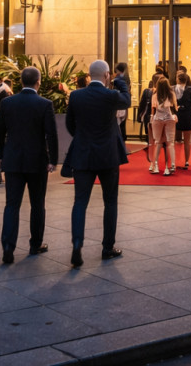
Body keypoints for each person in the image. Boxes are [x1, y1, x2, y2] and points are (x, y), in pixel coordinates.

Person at [66, 60, 131, 268]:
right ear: (107, 76)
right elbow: (127, 101)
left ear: (88, 75)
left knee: (80, 202)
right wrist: (120, 82)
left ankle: (77, 243)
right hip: (108, 156)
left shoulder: (76, 96)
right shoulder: (111, 95)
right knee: (110, 201)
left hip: (83, 155)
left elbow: (70, 124)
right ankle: (107, 247)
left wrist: (83, 137)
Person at [0, 67, 60, 264]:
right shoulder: (44, 104)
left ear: (21, 82)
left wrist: (3, 155)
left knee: (11, 205)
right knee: (37, 204)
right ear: (38, 82)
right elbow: (52, 134)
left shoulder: (7, 103)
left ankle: (8, 247)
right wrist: (53, 160)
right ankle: (36, 243)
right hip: (37, 161)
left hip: (13, 160)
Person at [149, 77, 178, 176]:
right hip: (169, 118)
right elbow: (175, 107)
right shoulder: (171, 95)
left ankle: (155, 165)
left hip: (158, 118)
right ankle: (173, 164)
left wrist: (151, 118)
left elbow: (153, 108)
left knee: (157, 142)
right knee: (170, 142)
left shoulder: (155, 96)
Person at [174, 71, 191, 169]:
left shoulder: (173, 88)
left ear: (177, 79)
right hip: (188, 115)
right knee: (187, 141)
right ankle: (186, 161)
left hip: (176, 115)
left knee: (173, 141)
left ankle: (174, 161)